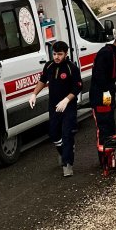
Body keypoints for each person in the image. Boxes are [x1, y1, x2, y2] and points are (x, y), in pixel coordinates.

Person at [30, 41, 81, 177]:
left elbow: (77, 87)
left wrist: (67, 99)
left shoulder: (71, 68)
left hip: (68, 106)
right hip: (54, 106)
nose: (57, 57)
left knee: (67, 134)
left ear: (66, 54)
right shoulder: (49, 66)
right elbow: (42, 80)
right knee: (53, 133)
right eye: (54, 54)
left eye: (60, 54)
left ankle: (67, 164)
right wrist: (34, 94)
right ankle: (63, 151)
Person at [89, 34, 116, 166]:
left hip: (106, 99)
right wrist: (107, 92)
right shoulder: (106, 54)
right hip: (101, 99)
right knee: (103, 129)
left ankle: (109, 156)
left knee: (109, 128)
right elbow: (100, 77)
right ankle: (104, 159)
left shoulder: (111, 54)